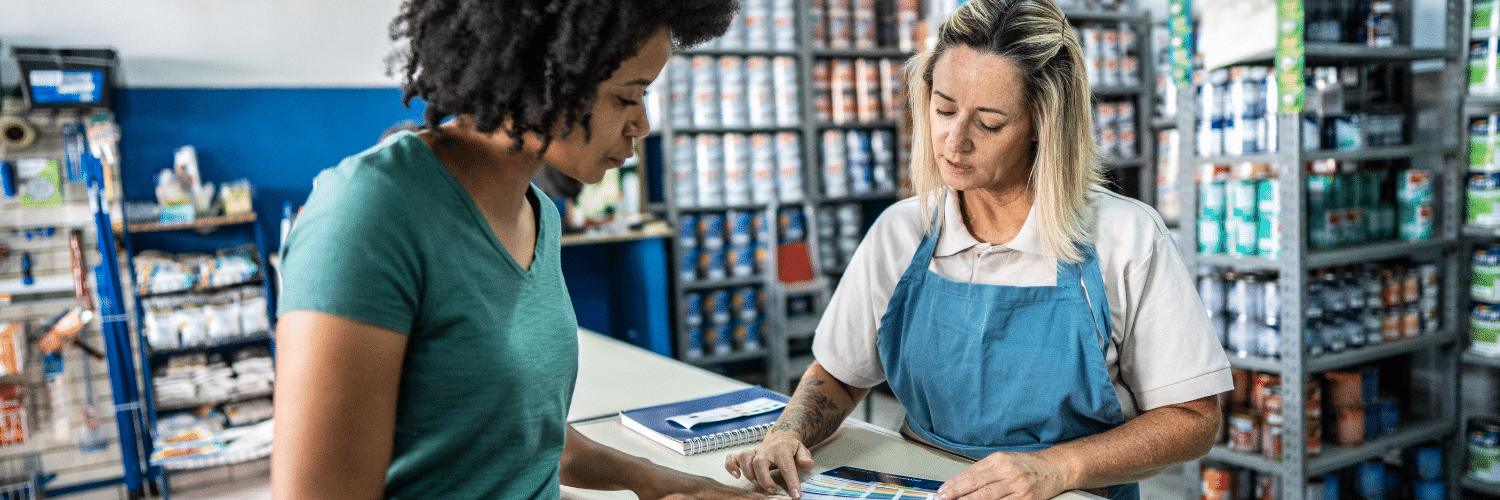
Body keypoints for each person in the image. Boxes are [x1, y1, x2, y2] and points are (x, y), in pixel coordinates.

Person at [725, 0, 1232, 499]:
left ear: (1043, 125)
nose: (954, 140)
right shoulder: (902, 231)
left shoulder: (1126, 237)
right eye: (943, 109)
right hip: (922, 485)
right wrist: (787, 434)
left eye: (989, 122)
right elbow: (839, 374)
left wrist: (1058, 468)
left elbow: (1192, 419)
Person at [271, 1, 763, 499]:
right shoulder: (369, 211)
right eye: (627, 97)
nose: (642, 124)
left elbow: (524, 441)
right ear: (542, 78)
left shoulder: (538, 214)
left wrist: (665, 483)